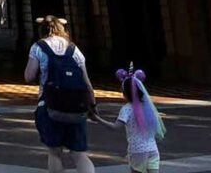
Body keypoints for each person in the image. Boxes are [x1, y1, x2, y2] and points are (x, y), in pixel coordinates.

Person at [24, 16, 97, 173]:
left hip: (50, 105)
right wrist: (92, 104)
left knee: (54, 153)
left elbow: (29, 76)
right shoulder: (73, 48)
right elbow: (86, 81)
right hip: (77, 107)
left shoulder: (38, 47)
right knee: (80, 155)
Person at [91, 66, 166, 173]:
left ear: (125, 93)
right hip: (152, 149)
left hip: (137, 151)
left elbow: (115, 127)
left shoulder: (126, 109)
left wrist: (98, 119)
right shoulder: (147, 107)